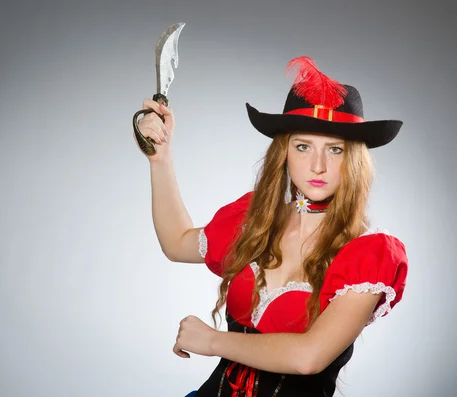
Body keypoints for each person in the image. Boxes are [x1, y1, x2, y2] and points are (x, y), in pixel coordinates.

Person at [135, 56, 409, 397]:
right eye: (303, 146)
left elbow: (308, 358)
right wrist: (160, 158)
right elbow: (176, 243)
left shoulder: (369, 255)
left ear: (353, 159)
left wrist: (213, 341)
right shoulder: (255, 221)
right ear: (284, 153)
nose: (318, 165)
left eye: (335, 150)